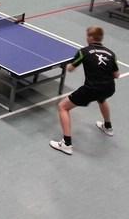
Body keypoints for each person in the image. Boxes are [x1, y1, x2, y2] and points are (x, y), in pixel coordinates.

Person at [50, 26, 119, 156]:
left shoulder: (83, 52)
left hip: (91, 89)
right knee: (101, 98)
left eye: (87, 36)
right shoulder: (111, 53)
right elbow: (116, 75)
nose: (86, 38)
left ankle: (66, 144)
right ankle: (108, 127)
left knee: (63, 107)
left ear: (91, 38)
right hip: (109, 88)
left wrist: (70, 63)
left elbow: (70, 69)